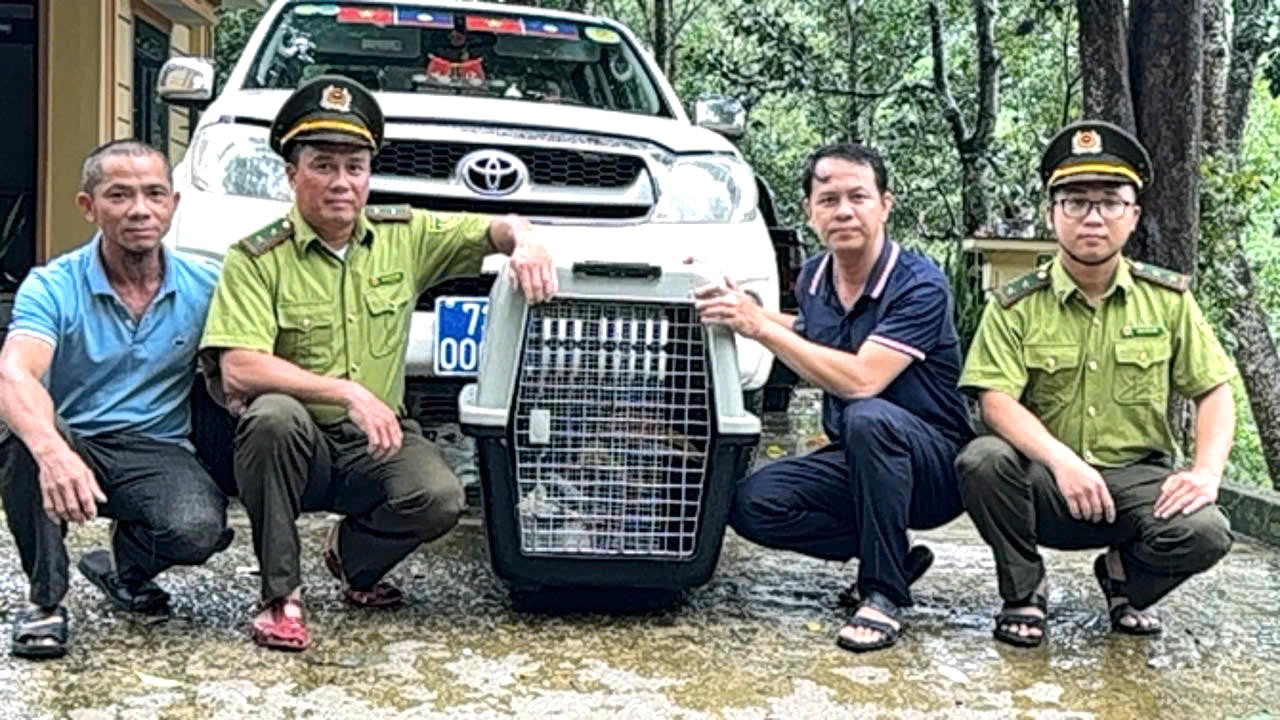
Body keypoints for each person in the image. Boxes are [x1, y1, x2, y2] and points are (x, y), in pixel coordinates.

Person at [198, 75, 556, 652]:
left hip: (376, 441)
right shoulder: (256, 258)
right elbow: (240, 368)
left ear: (369, 175)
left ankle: (354, 561)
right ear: (292, 174)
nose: (341, 182)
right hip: (300, 443)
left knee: (438, 497)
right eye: (323, 166)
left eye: (355, 167)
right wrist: (347, 392)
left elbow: (493, 228)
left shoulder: (403, 235)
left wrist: (527, 241)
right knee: (272, 418)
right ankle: (280, 597)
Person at [955, 120, 1235, 648]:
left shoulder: (1168, 301)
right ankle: (1024, 590)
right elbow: (994, 401)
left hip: (1135, 482)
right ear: (1051, 214)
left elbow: (1214, 390)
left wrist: (1207, 472)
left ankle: (1126, 579)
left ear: (1134, 215)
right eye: (1075, 202)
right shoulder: (1016, 305)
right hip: (1045, 484)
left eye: (1110, 202)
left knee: (1206, 531)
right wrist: (1064, 462)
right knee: (982, 460)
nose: (1092, 217)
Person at [696, 143, 973, 653]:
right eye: (828, 200)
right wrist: (739, 310)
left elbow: (862, 380)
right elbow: (812, 333)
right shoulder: (815, 278)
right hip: (859, 459)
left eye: (858, 197)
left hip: (932, 466)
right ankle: (888, 555)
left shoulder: (920, 285)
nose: (843, 211)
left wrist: (759, 327)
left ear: (885, 205)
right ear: (809, 211)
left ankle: (884, 594)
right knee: (750, 504)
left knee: (867, 416)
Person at [0, 140, 233, 659]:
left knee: (198, 530)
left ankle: (126, 568)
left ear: (173, 203)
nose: (139, 210)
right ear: (89, 206)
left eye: (154, 194)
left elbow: (238, 366)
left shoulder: (208, 285)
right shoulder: (52, 286)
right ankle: (45, 601)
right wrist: (52, 451)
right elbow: (15, 372)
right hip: (73, 434)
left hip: (157, 448)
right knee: (22, 437)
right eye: (119, 195)